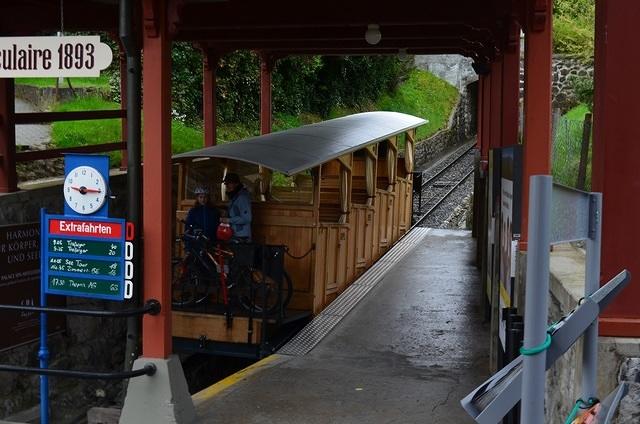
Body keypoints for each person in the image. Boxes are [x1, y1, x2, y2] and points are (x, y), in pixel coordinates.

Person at [221, 173, 252, 242]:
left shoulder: (242, 197)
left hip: (242, 237)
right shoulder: (234, 197)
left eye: (229, 183)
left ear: (236, 184)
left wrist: (228, 220)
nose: (226, 185)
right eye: (226, 183)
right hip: (234, 235)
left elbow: (247, 218)